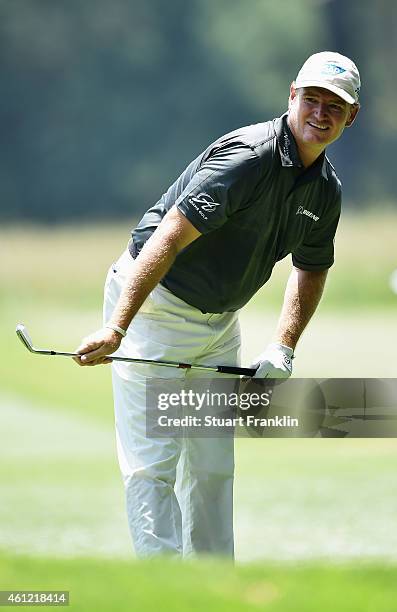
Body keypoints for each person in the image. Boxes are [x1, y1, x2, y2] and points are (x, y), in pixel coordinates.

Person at [74, 51, 360, 559]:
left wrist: (284, 347)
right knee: (153, 464)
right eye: (312, 99)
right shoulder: (249, 157)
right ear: (292, 96)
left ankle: (212, 585)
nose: (321, 113)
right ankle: (164, 588)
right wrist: (118, 329)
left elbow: (311, 266)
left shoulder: (326, 190)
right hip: (156, 308)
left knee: (211, 466)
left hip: (218, 324)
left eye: (334, 106)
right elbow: (168, 236)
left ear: (350, 116)